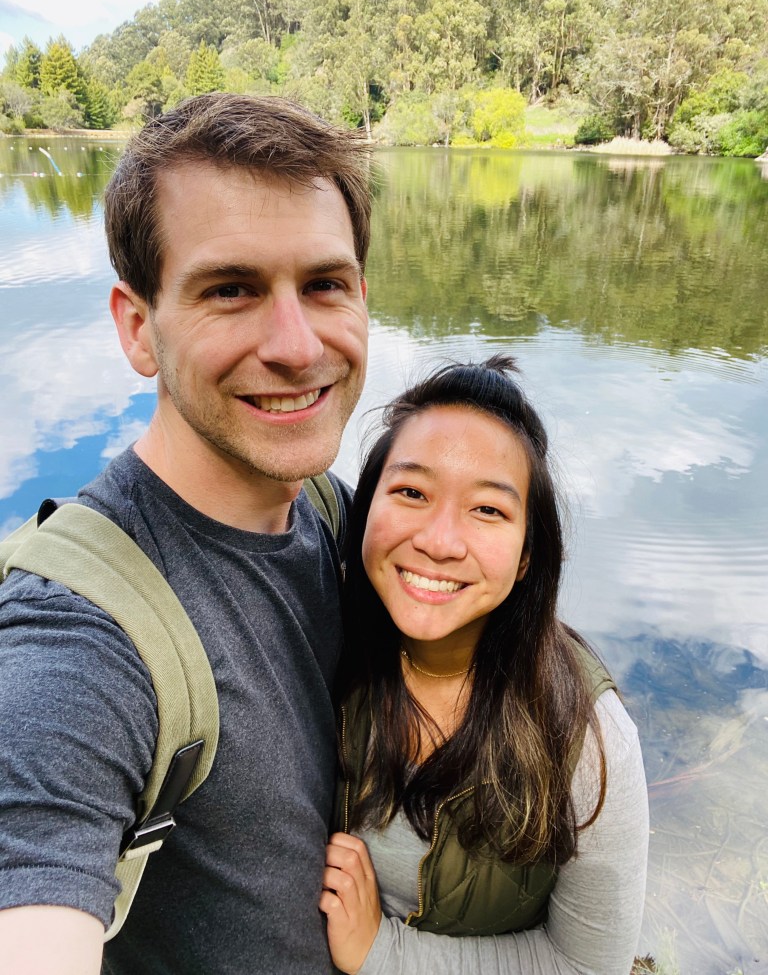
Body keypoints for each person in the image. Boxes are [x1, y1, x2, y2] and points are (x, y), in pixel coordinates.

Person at [0, 93, 371, 974]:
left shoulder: (332, 509)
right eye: (230, 290)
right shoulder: (80, 635)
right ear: (139, 328)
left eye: (324, 284)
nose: (296, 345)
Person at [320, 356, 649, 975]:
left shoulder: (588, 739)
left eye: (488, 510)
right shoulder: (323, 637)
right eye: (412, 492)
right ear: (365, 510)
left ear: (527, 557)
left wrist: (381, 951)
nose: (440, 542)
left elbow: (586, 966)